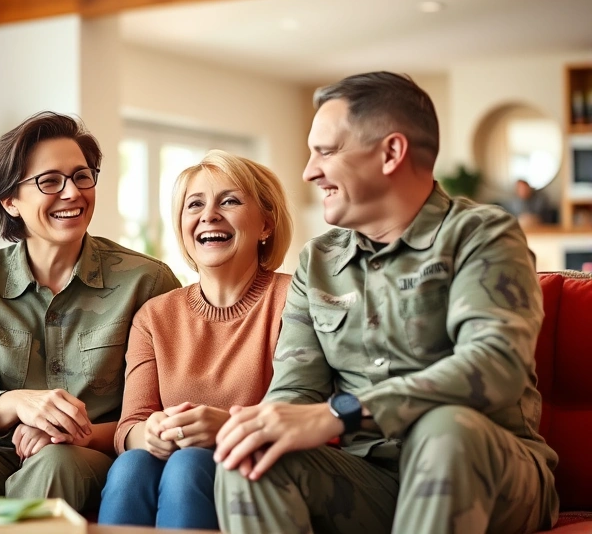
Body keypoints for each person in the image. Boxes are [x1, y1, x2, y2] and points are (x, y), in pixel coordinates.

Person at [213, 72, 559, 534]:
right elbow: (295, 392)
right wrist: (266, 424)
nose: (309, 171)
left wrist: (341, 413)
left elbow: (495, 364)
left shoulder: (482, 235)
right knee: (250, 453)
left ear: (391, 152)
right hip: (369, 478)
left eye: (326, 151)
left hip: (488, 468)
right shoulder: (318, 261)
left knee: (446, 431)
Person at [0, 111, 180, 512]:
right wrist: (20, 404)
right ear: (10, 201)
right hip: (1, 452)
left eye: (82, 176)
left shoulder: (147, 281)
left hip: (93, 455)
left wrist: (70, 433)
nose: (72, 193)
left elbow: (167, 408)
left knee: (56, 461)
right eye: (50, 181)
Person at [98, 150, 293, 530]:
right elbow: (129, 427)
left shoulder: (293, 300)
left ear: (266, 224)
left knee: (189, 464)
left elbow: (302, 411)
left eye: (230, 201)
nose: (209, 215)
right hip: (165, 465)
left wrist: (226, 428)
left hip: (262, 470)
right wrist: (150, 434)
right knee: (132, 465)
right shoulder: (154, 316)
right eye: (195, 205)